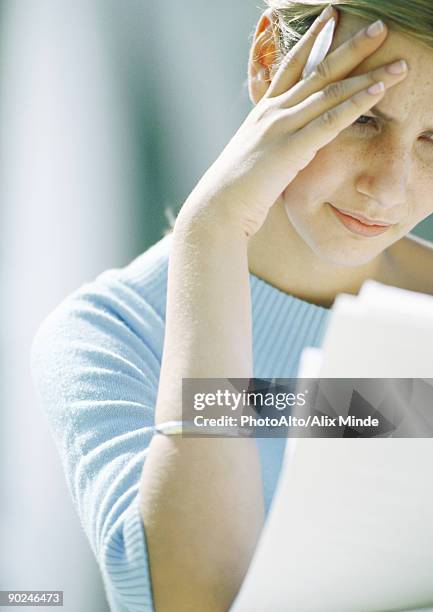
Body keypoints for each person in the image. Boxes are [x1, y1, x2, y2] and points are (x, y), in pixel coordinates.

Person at [31, 1, 433, 611]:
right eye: (362, 117)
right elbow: (195, 600)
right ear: (271, 60)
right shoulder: (109, 336)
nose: (389, 185)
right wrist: (210, 232)